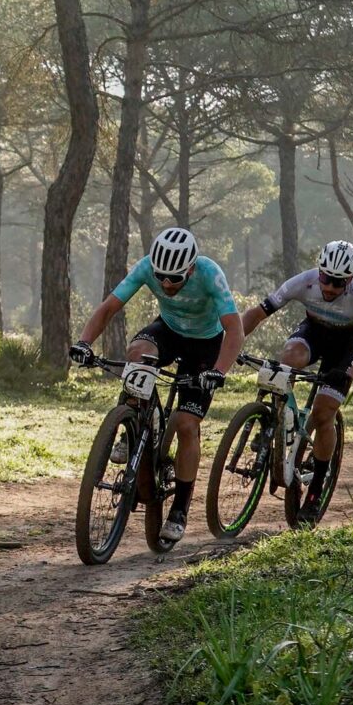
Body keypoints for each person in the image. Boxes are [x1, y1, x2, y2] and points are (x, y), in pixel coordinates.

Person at [69, 225, 242, 547]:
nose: (165, 283)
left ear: (190, 268)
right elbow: (109, 308)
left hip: (205, 344)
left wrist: (219, 371)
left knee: (188, 425)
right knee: (138, 353)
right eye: (161, 276)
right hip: (170, 331)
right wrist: (83, 343)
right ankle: (132, 422)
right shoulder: (146, 266)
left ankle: (179, 510)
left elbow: (234, 330)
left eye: (174, 278)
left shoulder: (209, 273)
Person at [239, 239, 353, 500]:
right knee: (289, 357)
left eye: (338, 282)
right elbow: (257, 313)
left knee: (324, 412)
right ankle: (276, 422)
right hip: (314, 333)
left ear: (349, 280)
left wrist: (347, 375)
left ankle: (316, 486)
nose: (329, 286)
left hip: (345, 348)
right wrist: (233, 342)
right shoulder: (304, 281)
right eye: (326, 278)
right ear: (319, 272)